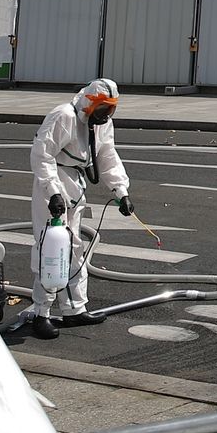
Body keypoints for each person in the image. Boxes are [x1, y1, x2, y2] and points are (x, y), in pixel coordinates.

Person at [27, 78, 133, 340]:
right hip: (54, 184)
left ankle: (74, 309)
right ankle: (42, 313)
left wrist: (121, 192)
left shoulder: (101, 125)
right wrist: (52, 192)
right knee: (51, 249)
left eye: (111, 109)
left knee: (74, 247)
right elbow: (42, 155)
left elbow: (108, 157)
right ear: (89, 103)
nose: (106, 115)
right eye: (103, 108)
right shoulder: (64, 116)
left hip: (74, 185)